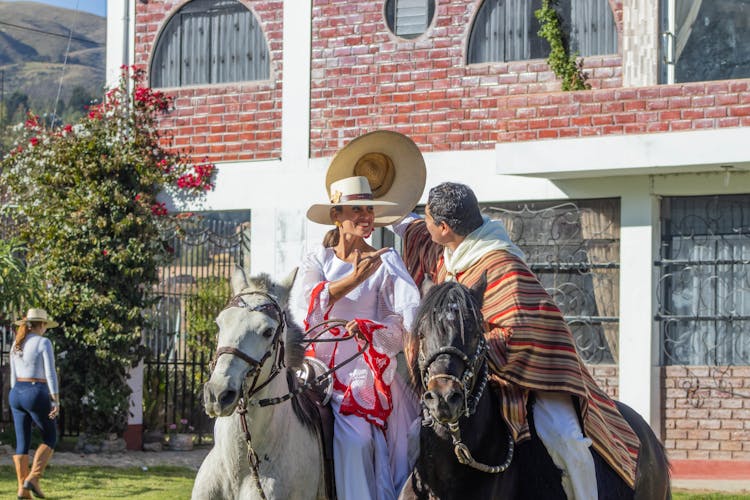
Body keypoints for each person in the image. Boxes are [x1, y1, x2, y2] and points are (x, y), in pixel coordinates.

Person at [393, 182, 641, 500]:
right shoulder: (453, 251)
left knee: (565, 441)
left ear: (443, 227)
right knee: (414, 435)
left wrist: (473, 350)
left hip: (534, 376)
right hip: (470, 375)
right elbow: (412, 230)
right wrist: (382, 208)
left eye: (426, 219)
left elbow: (517, 335)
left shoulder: (503, 265)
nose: (422, 226)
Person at [293, 175, 421, 500]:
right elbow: (305, 308)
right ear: (337, 216)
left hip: (362, 373)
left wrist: (370, 328)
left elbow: (403, 319)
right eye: (356, 209)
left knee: (357, 441)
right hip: (314, 369)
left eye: (369, 208)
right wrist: (353, 279)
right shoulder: (316, 259)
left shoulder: (386, 261)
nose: (366, 216)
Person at [10, 308, 60, 500]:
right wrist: (55, 399)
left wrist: (17, 395)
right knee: (50, 436)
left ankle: (22, 490)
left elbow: (14, 377)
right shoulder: (44, 342)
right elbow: (50, 373)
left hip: (16, 393)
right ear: (42, 325)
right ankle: (33, 478)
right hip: (35, 391)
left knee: (22, 443)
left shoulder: (17, 343)